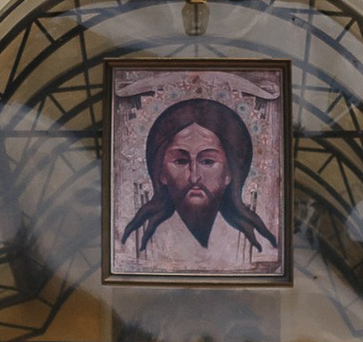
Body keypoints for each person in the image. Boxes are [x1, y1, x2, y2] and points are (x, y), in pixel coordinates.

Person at [117, 96, 282, 275]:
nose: (194, 177)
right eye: (180, 161)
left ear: (230, 174)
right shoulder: (142, 243)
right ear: (161, 173)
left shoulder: (251, 246)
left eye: (208, 161)